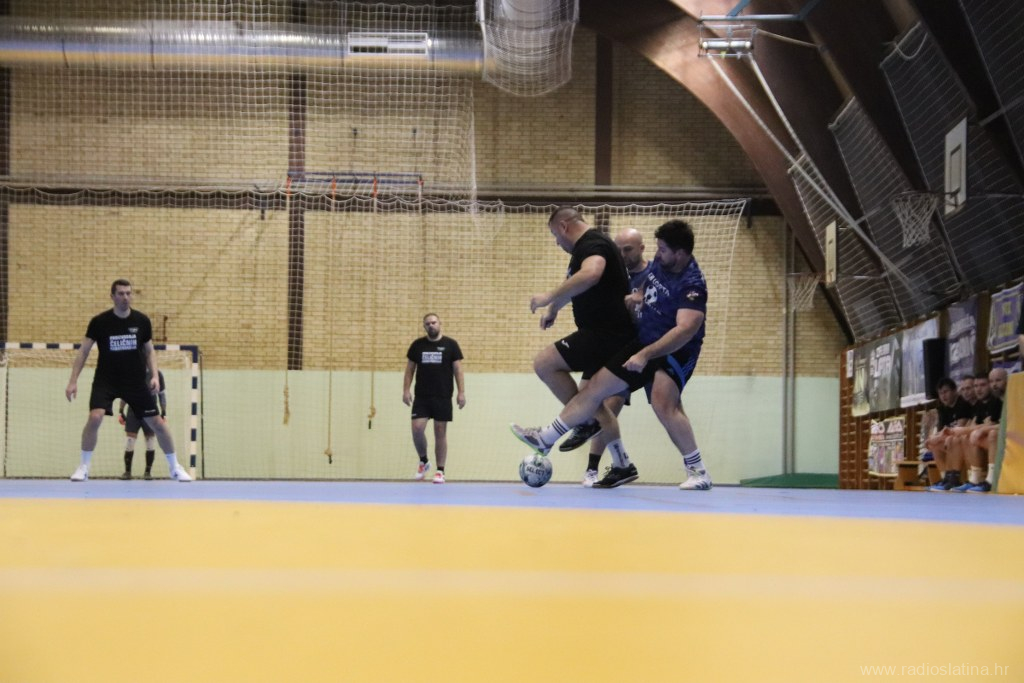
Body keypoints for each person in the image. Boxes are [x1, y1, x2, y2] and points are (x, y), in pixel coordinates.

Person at [512, 219, 713, 490]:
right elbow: (651, 280)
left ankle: (699, 472)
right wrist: (639, 295)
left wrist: (645, 355)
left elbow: (685, 330)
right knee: (595, 388)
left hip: (676, 349)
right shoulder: (661, 261)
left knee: (663, 403)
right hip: (645, 340)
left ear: (680, 253)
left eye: (663, 250)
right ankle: (546, 438)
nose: (658, 253)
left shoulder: (692, 285)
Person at [526, 207, 636, 482]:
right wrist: (554, 308)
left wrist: (548, 296)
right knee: (594, 403)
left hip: (606, 334)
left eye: (555, 235)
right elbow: (575, 284)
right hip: (607, 335)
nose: (557, 242)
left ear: (564, 226)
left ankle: (581, 422)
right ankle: (622, 464)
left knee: (545, 363)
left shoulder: (592, 244)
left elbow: (591, 274)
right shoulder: (585, 249)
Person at [65, 279, 191, 482]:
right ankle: (83, 467)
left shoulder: (141, 321)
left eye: (128, 293)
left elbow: (149, 351)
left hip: (135, 381)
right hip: (106, 380)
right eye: (121, 293)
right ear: (112, 296)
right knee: (95, 417)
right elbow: (83, 352)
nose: (125, 297)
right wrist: (73, 381)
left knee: (157, 423)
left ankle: (175, 467)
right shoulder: (99, 322)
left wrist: (155, 375)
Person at [559, 227, 653, 487]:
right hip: (604, 344)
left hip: (630, 349)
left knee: (609, 406)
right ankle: (604, 455)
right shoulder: (613, 272)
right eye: (618, 249)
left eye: (628, 249)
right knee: (586, 398)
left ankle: (595, 467)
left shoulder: (652, 276)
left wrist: (639, 305)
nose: (622, 255)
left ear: (642, 248)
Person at [403, 313, 465, 484]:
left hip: (443, 396)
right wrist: (406, 390)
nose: (431, 325)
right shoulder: (417, 345)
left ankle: (440, 471)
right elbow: (409, 370)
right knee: (417, 428)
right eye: (428, 323)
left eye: (434, 322)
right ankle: (424, 461)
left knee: (440, 431)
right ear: (424, 326)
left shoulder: (451, 345)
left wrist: (461, 392)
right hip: (422, 396)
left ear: (439, 323)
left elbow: (458, 370)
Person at [945, 373, 1003, 493]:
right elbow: (980, 424)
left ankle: (991, 479)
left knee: (991, 434)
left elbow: (996, 426)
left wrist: (978, 429)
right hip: (993, 440)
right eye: (976, 386)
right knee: (965, 437)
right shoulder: (981, 404)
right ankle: (970, 478)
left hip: (1008, 439)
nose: (978, 389)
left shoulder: (998, 402)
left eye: (982, 385)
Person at [925, 377, 976, 491]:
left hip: (960, 439)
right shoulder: (943, 408)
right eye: (940, 393)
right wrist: (933, 438)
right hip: (951, 438)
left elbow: (960, 428)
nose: (943, 396)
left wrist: (940, 436)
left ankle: (954, 478)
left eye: (946, 392)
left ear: (954, 391)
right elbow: (942, 430)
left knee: (952, 440)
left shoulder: (963, 404)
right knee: (934, 444)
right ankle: (945, 478)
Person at [116, 369, 166, 480]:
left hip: (150, 411)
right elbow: (125, 394)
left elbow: (162, 395)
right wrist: (121, 411)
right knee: (130, 441)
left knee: (150, 441)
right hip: (133, 411)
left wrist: (163, 413)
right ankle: (127, 472)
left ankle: (148, 472)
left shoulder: (157, 374)